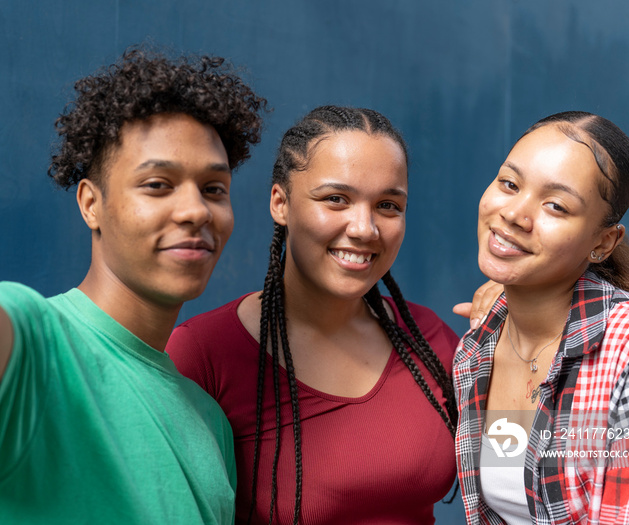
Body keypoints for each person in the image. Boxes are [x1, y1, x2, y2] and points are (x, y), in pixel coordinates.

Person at [0, 47, 266, 524]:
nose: (196, 211)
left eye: (213, 189)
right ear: (91, 204)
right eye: (157, 185)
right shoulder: (38, 344)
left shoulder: (210, 425)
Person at [167, 105, 460, 524]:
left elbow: (513, 478)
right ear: (280, 203)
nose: (364, 228)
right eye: (336, 199)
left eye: (388, 205)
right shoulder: (204, 354)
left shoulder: (430, 338)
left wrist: (522, 343)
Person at [453, 111, 629, 524]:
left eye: (556, 205)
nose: (514, 214)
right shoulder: (476, 350)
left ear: (602, 242)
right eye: (509, 184)